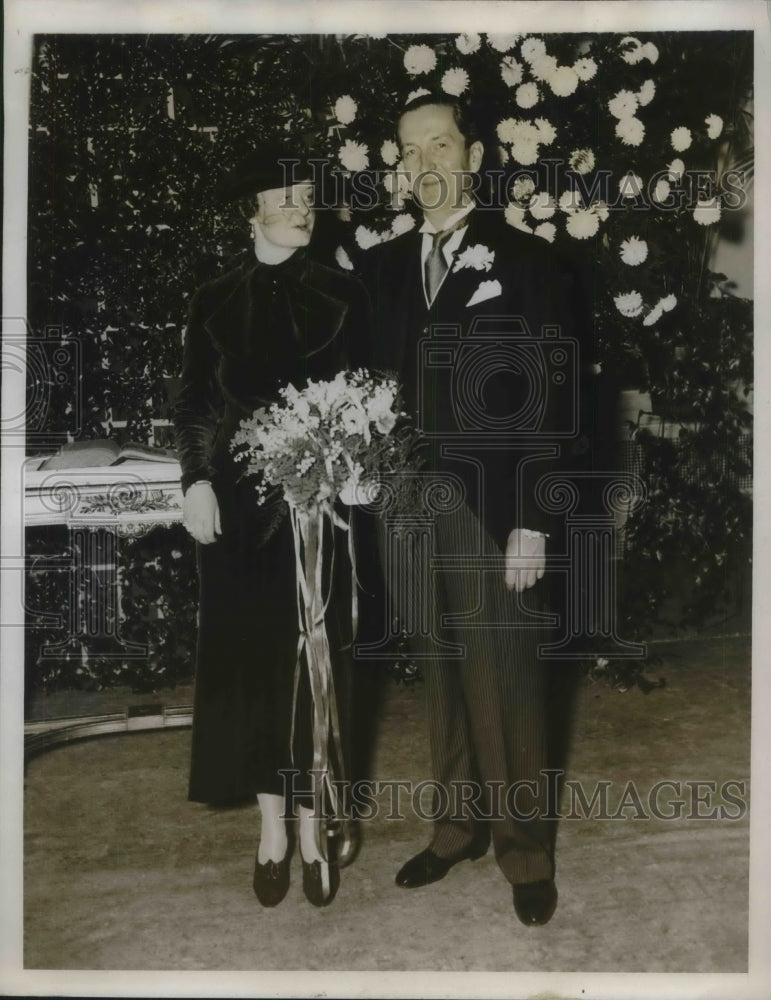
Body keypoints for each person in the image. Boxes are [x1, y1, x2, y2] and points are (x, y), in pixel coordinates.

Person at [357, 93, 588, 926]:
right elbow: (361, 391)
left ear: (474, 154)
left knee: (507, 682)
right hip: (404, 501)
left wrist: (531, 518)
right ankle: (456, 828)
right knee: (441, 672)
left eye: (441, 144)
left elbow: (555, 394)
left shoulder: (526, 260)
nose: (426, 163)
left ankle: (524, 850)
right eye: (410, 150)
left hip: (492, 507)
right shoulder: (379, 268)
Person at [173, 144, 371, 908]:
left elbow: (367, 392)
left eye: (308, 199)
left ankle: (318, 825)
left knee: (316, 666)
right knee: (248, 669)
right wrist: (193, 480)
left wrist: (353, 465)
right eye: (285, 198)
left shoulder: (345, 295)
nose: (301, 209)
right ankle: (271, 833)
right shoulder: (213, 299)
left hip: (321, 508)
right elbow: (195, 401)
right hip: (237, 510)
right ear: (251, 212)